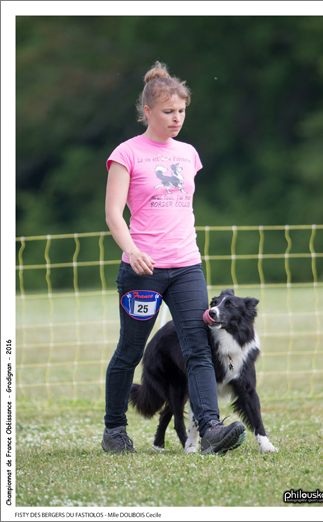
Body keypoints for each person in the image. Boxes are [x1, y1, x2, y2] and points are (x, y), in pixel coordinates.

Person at [102, 61, 246, 455]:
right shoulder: (126, 153)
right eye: (168, 111)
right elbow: (114, 212)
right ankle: (115, 430)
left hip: (186, 266)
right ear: (147, 111)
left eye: (181, 111)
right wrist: (131, 250)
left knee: (198, 348)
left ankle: (211, 429)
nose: (176, 118)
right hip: (142, 270)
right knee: (129, 352)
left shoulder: (188, 155)